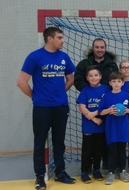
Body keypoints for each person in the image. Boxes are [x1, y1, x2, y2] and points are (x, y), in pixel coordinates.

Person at [17, 27, 76, 190]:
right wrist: (35, 96)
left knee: (59, 142)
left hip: (61, 107)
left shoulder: (64, 57)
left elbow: (70, 78)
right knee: (39, 142)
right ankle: (40, 177)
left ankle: (60, 172)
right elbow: (21, 82)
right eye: (59, 37)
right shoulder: (35, 57)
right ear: (50, 39)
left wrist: (60, 92)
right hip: (42, 108)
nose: (62, 40)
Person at [74, 38, 118, 170]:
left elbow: (115, 80)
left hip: (106, 106)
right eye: (97, 47)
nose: (99, 49)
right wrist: (91, 91)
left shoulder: (112, 64)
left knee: (104, 139)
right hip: (91, 108)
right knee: (89, 144)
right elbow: (77, 80)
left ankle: (104, 163)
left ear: (105, 48)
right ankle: (87, 168)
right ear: (93, 48)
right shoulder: (84, 63)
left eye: (102, 47)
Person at [98, 72, 129, 185]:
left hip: (123, 127)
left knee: (122, 150)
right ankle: (111, 172)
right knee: (112, 151)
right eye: (114, 81)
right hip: (111, 128)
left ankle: (122, 170)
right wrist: (110, 110)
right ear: (110, 83)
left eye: (119, 81)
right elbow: (101, 111)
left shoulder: (127, 95)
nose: (116, 83)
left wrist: (125, 110)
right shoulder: (107, 96)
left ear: (123, 83)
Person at [76, 65, 108, 183]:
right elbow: (82, 107)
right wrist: (94, 119)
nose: (93, 78)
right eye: (90, 76)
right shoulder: (85, 90)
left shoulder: (105, 89)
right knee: (87, 150)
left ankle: (96, 170)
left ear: (100, 76)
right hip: (89, 126)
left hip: (102, 127)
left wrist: (95, 114)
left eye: (96, 75)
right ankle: (84, 172)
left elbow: (106, 106)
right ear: (87, 78)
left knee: (98, 150)